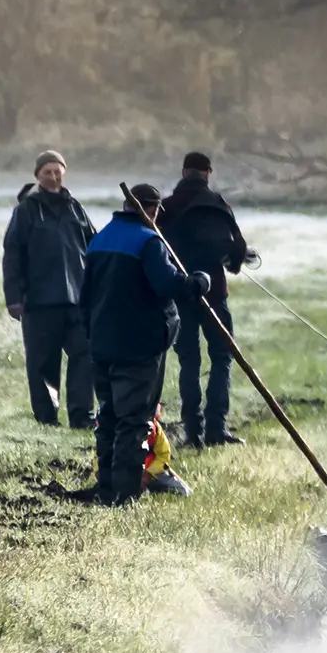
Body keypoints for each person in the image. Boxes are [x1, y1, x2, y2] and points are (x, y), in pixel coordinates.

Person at [81, 183, 211, 506]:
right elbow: (167, 283)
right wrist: (198, 283)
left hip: (101, 345)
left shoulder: (100, 239)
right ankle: (124, 497)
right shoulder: (148, 242)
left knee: (108, 417)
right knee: (134, 420)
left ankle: (106, 488)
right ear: (151, 210)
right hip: (138, 348)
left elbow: (86, 298)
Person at [162, 151, 256, 448]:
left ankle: (192, 432)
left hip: (180, 294)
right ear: (208, 173)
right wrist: (236, 262)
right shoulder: (218, 203)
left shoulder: (167, 206)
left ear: (183, 171)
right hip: (215, 293)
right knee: (222, 359)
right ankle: (217, 429)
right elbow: (237, 248)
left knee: (189, 360)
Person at [1, 150, 97, 427]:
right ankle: (47, 419)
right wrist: (14, 298)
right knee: (43, 364)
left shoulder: (75, 207)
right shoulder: (26, 211)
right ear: (37, 176)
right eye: (47, 172)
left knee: (85, 356)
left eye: (57, 171)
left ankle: (82, 416)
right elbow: (12, 255)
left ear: (64, 173)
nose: (53, 177)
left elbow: (93, 245)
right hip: (40, 302)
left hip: (77, 300)